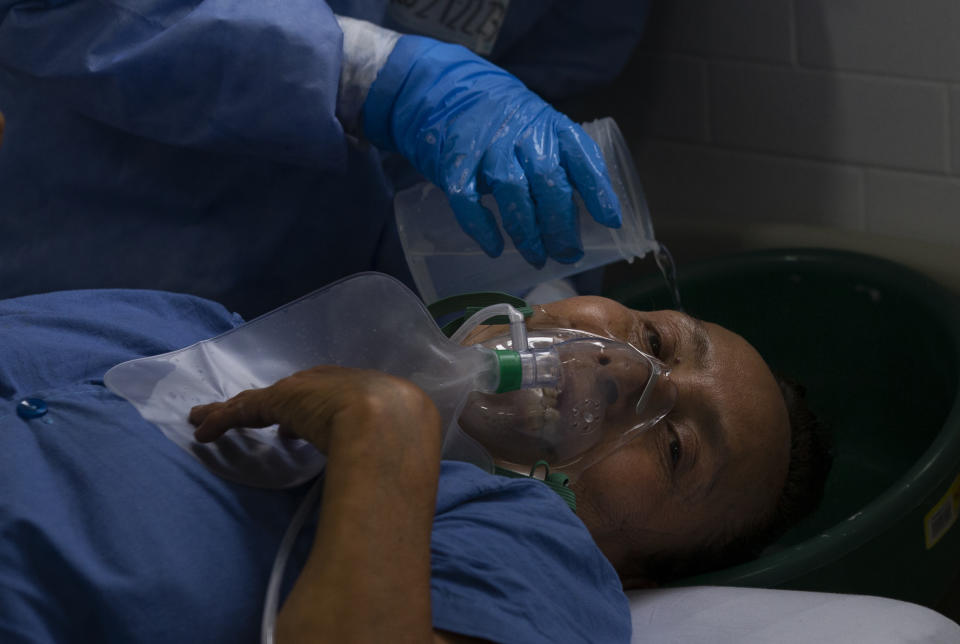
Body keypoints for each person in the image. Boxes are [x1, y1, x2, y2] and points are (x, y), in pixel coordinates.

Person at [0, 285, 830, 643]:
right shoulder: (192, 324)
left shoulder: (536, 556)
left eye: (675, 445)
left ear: (636, 569)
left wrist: (386, 439)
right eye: (651, 339)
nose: (622, 375)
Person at [0, 1, 650, 316]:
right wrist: (366, 75)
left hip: (318, 310)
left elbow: (536, 94)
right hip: (100, 235)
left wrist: (532, 292)